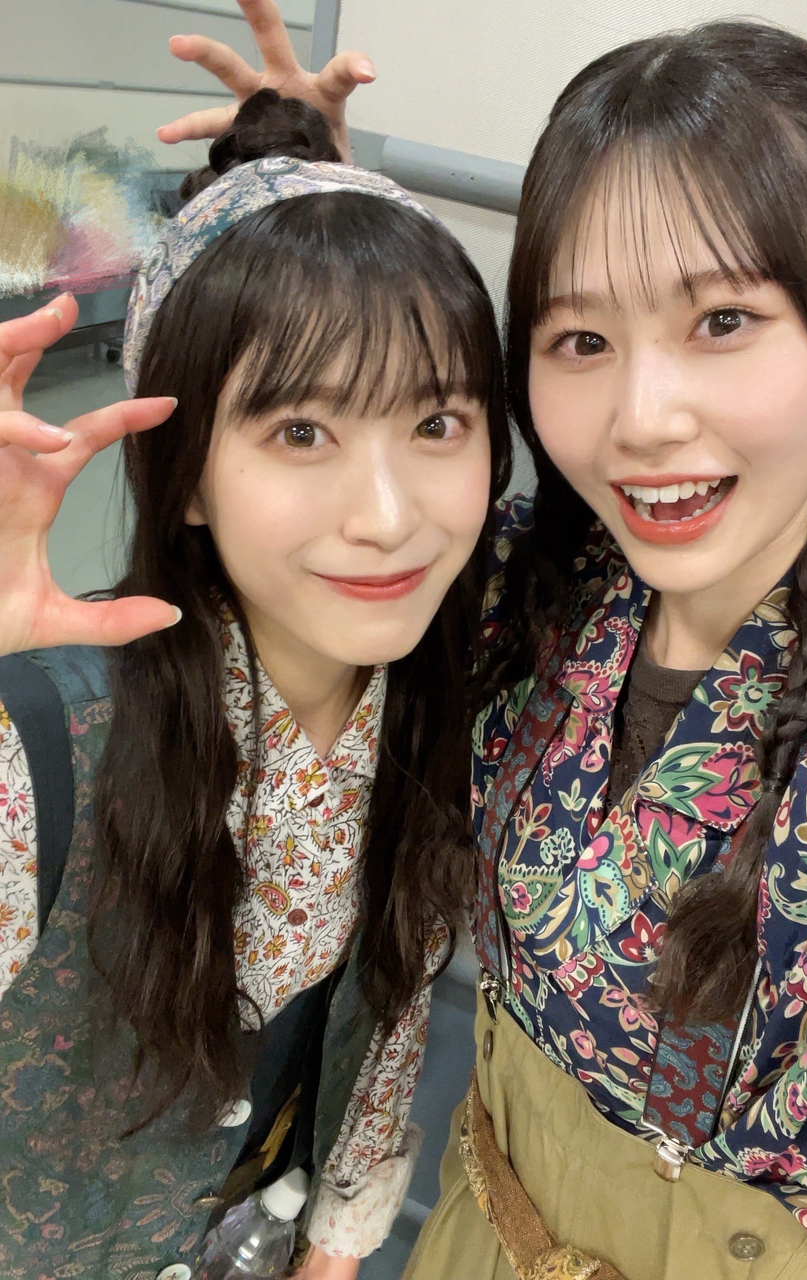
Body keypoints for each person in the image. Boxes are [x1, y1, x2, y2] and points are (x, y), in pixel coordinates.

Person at [173, 11, 807, 1280]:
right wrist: (299, 207)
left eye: (722, 320)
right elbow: (315, 495)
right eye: (582, 340)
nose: (640, 419)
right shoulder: (521, 594)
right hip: (470, 1231)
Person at [0, 90, 510, 1280]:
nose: (386, 516)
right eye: (299, 432)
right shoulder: (43, 751)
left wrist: (330, 1251)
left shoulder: (436, 715)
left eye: (436, 420)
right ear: (183, 474)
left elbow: (382, 1032)